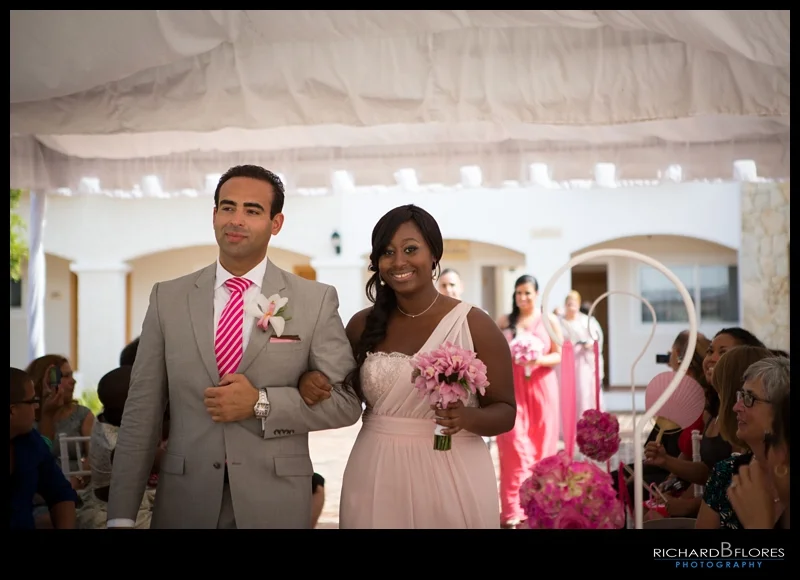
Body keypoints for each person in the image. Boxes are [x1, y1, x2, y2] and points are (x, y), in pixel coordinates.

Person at [107, 164, 363, 529]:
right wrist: (120, 516)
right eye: (228, 207)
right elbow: (141, 410)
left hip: (275, 502)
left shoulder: (314, 300)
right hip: (185, 501)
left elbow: (347, 403)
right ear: (214, 215)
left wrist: (262, 403)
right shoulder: (168, 298)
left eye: (252, 210)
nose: (236, 219)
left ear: (276, 223)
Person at [327, 204, 515, 528]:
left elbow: (506, 412)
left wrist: (466, 417)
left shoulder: (474, 324)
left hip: (453, 470)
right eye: (388, 252)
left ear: (434, 255)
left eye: (410, 249)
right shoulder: (361, 325)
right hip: (376, 470)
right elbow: (342, 398)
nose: (399, 261)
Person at [496, 274, 563, 528]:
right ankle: (513, 510)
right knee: (514, 446)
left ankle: (541, 507)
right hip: (513, 390)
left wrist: (536, 359)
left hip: (542, 389)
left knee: (542, 448)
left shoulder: (549, 320)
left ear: (537, 294)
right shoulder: (505, 321)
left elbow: (559, 355)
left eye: (527, 293)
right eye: (518, 293)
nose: (522, 297)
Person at [696, 355, 789, 529]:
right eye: (741, 396)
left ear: (781, 411)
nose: (736, 407)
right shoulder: (726, 474)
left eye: (749, 398)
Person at [10, 367, 78, 529]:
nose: (36, 406)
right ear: (12, 411)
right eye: (32, 401)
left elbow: (60, 493)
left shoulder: (28, 439)